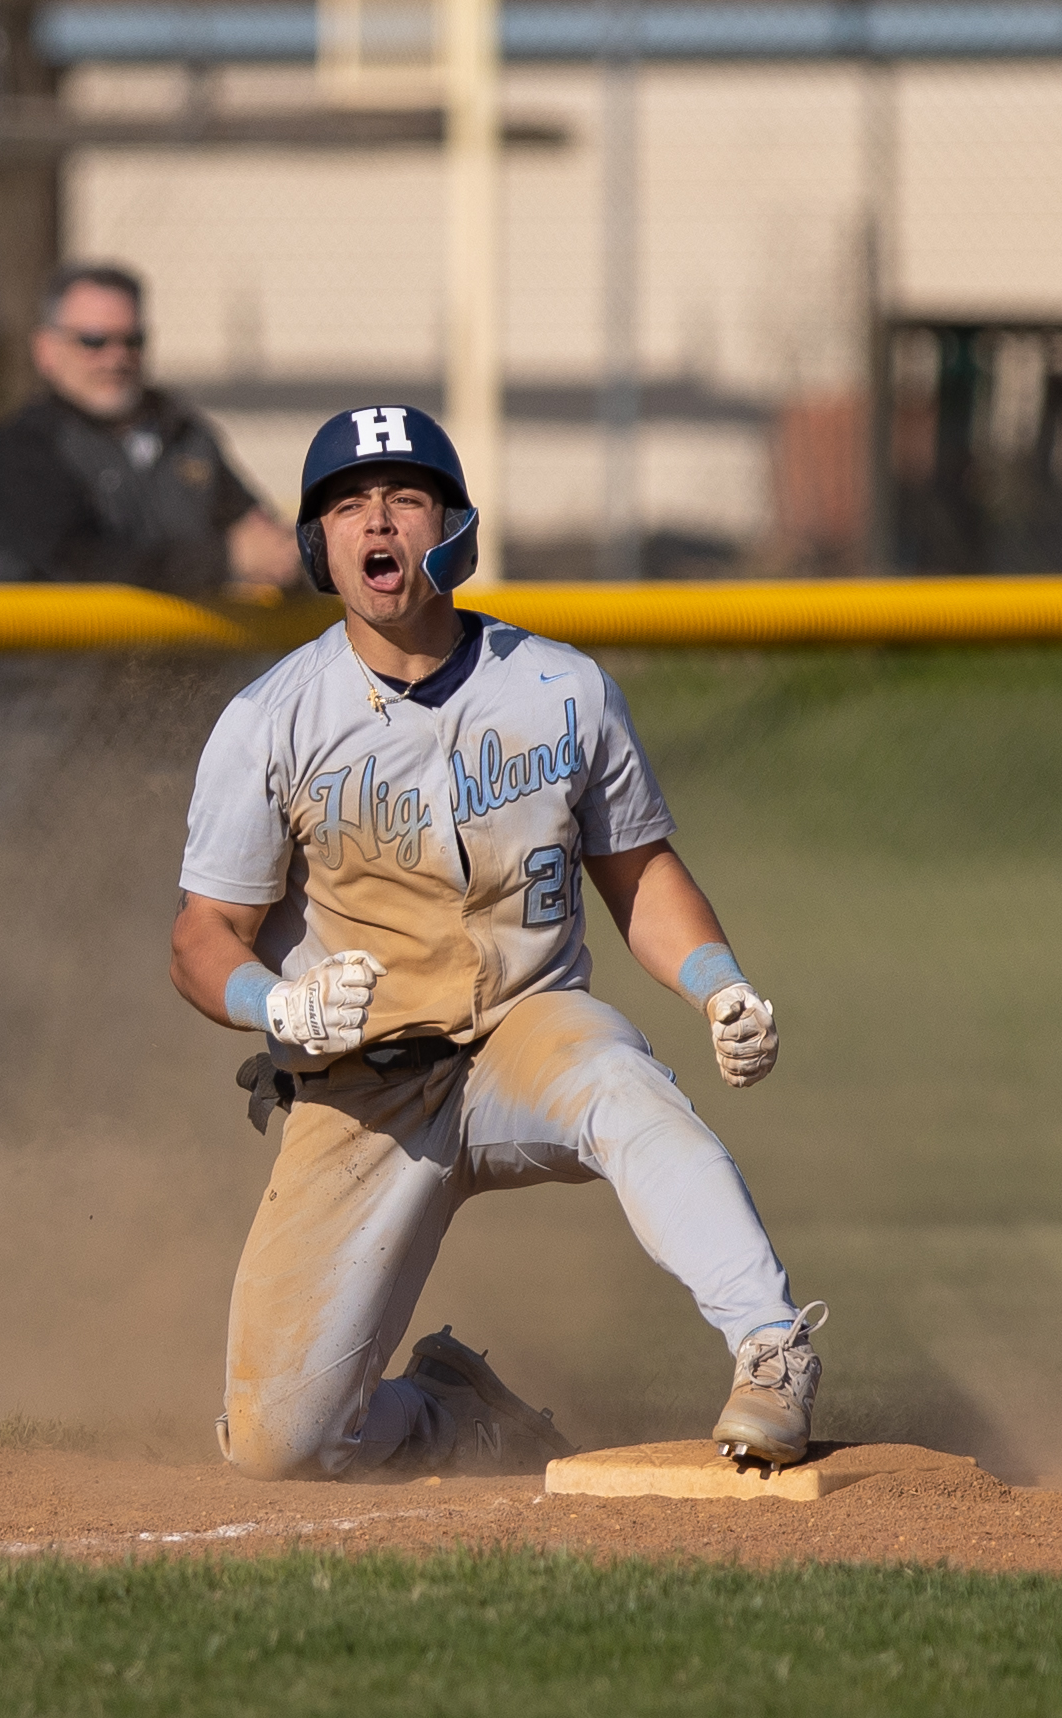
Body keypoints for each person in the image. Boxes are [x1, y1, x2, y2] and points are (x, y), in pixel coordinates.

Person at [169, 403, 827, 1481]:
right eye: (346, 503)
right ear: (316, 547)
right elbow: (204, 933)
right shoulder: (272, 717)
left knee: (625, 1084)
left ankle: (772, 1350)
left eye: (404, 496)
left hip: (528, 1030)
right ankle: (456, 1413)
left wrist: (717, 983)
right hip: (361, 1085)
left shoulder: (561, 687)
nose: (375, 520)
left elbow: (639, 872)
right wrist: (269, 1003)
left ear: (453, 529)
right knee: (282, 1444)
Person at [0, 262, 299, 599]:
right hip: (64, 651)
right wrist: (223, 559)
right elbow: (77, 565)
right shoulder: (26, 446)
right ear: (46, 349)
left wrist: (284, 558)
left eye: (132, 340)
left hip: (187, 650)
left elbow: (256, 530)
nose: (116, 358)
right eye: (93, 341)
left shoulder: (184, 434)